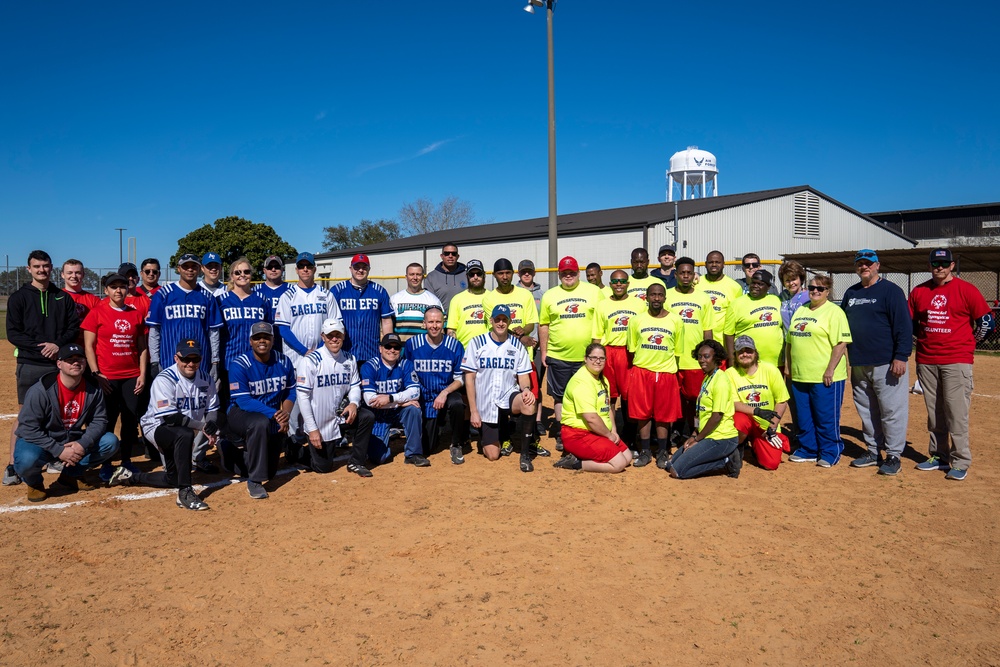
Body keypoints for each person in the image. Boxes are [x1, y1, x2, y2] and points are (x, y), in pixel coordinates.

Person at [908, 247, 994, 481]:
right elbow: (911, 322)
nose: (940, 268)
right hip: (926, 360)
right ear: (929, 266)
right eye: (935, 264)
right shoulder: (920, 291)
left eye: (944, 264)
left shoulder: (966, 290)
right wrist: (920, 339)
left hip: (956, 360)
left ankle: (960, 460)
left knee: (956, 413)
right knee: (935, 413)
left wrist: (970, 342)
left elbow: (986, 322)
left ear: (952, 266)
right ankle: (939, 455)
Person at [108, 339, 220, 511]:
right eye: (186, 359)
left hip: (186, 428)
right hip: (157, 427)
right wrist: (203, 426)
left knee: (173, 477)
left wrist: (211, 424)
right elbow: (170, 418)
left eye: (195, 359)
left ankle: (129, 477)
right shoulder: (165, 379)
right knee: (185, 434)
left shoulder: (206, 379)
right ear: (176, 358)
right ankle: (185, 492)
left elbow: (212, 408)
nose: (191, 363)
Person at [4, 250, 80, 487]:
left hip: (56, 364)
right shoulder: (19, 297)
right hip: (30, 363)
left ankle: (54, 456)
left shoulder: (62, 297)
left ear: (51, 267)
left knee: (58, 412)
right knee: (25, 414)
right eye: (36, 266)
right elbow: (13, 333)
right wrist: (42, 348)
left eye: (45, 266)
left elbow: (72, 328)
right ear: (29, 269)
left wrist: (57, 345)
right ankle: (12, 464)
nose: (41, 270)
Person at [146, 252, 223, 473]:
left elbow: (213, 332)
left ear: (199, 269)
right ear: (178, 268)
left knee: (200, 409)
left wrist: (215, 360)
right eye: (185, 266)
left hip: (200, 363)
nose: (190, 270)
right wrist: (154, 360)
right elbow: (154, 330)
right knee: (171, 411)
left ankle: (197, 457)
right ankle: (171, 458)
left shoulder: (207, 296)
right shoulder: (164, 294)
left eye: (193, 266)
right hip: (172, 363)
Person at [12, 343, 119, 502]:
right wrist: (58, 450)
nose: (75, 363)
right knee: (26, 459)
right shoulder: (41, 390)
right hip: (42, 442)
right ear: (59, 364)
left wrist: (82, 443)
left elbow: (99, 420)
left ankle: (71, 475)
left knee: (110, 442)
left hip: (71, 440)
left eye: (79, 359)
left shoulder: (93, 388)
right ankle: (34, 483)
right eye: (70, 360)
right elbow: (27, 428)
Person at [842, 249, 912, 476]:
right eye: (860, 264)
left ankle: (893, 455)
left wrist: (901, 356)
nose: (864, 267)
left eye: (868, 263)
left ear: (877, 265)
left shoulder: (891, 291)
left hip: (886, 362)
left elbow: (903, 325)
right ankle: (873, 451)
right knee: (867, 410)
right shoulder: (851, 293)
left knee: (891, 410)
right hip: (859, 362)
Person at [81, 273, 149, 476]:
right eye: (113, 287)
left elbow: (142, 347)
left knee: (129, 420)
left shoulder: (135, 313)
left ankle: (127, 460)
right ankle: (106, 462)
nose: (118, 290)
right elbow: (89, 346)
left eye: (122, 286)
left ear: (127, 289)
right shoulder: (96, 312)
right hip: (107, 377)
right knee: (107, 420)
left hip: (131, 375)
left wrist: (142, 374)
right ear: (106, 290)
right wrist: (96, 374)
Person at [538, 256, 605, 450]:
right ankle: (563, 432)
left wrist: (598, 351)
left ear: (578, 273)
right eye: (565, 272)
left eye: (572, 272)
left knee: (588, 395)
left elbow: (602, 321)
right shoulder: (550, 295)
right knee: (560, 397)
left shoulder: (594, 292)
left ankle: (589, 430)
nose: (568, 276)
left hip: (588, 358)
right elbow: (544, 325)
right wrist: (544, 351)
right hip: (559, 355)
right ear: (559, 274)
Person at [786, 274, 852, 467]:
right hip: (800, 374)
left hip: (825, 376)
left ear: (827, 292)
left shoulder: (834, 312)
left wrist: (830, 369)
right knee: (804, 416)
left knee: (825, 417)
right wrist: (789, 366)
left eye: (820, 289)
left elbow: (841, 343)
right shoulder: (801, 310)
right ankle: (808, 449)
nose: (815, 291)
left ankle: (831, 451)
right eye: (812, 287)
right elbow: (790, 341)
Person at [462, 305, 538, 472]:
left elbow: (524, 375)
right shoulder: (477, 343)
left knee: (529, 401)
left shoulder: (516, 346)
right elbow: (469, 378)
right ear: (491, 321)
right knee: (492, 455)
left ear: (509, 322)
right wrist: (473, 410)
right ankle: (499, 429)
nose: (501, 323)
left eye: (504, 320)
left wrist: (525, 389)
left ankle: (525, 455)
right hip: (486, 402)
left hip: (508, 395)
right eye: (498, 319)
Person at [296, 318, 375, 477]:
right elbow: (302, 397)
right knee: (323, 467)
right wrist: (312, 429)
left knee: (366, 416)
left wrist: (353, 403)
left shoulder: (350, 359)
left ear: (344, 335)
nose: (334, 339)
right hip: (319, 422)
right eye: (330, 335)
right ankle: (296, 451)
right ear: (323, 337)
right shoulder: (310, 361)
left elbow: (354, 386)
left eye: (338, 335)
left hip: (340, 416)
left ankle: (356, 462)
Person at [482, 258, 546, 453]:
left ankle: (531, 439)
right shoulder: (489, 298)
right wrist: (520, 337)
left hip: (523, 357)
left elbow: (531, 323)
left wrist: (523, 333)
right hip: (500, 357)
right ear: (495, 276)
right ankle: (505, 437)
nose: (504, 276)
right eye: (500, 273)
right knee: (500, 396)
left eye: (508, 273)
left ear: (513, 274)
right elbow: (496, 328)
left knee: (530, 395)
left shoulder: (524, 295)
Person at [226, 322, 296, 499]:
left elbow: (291, 391)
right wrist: (275, 414)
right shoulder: (239, 364)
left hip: (272, 416)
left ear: (273, 340)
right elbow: (243, 400)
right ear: (250, 341)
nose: (262, 341)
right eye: (257, 338)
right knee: (260, 423)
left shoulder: (283, 361)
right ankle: (255, 481)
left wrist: (285, 414)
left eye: (266, 337)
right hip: (240, 413)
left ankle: (230, 452)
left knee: (270, 471)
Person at [626, 281, 683, 468]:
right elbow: (632, 349)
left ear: (665, 298)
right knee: (643, 414)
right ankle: (644, 451)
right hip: (642, 371)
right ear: (647, 297)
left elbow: (677, 351)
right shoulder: (636, 320)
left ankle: (662, 451)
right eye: (653, 295)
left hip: (666, 373)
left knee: (663, 416)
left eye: (660, 295)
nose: (656, 298)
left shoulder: (676, 320)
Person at [665, 339, 741, 480]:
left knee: (677, 471)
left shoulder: (721, 380)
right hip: (706, 434)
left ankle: (726, 461)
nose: (701, 360)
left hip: (721, 438)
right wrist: (694, 434)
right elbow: (701, 412)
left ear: (716, 358)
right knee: (669, 464)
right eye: (699, 356)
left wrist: (698, 439)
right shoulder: (707, 378)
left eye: (706, 356)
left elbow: (717, 416)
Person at [553, 343, 634, 473]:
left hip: (597, 432)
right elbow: (590, 418)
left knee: (628, 457)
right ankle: (576, 463)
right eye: (593, 358)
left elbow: (607, 409)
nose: (598, 361)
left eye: (601, 358)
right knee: (619, 464)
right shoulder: (582, 382)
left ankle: (586, 455)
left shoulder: (603, 380)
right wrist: (609, 436)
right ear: (585, 359)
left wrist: (614, 431)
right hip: (578, 435)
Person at [404, 307, 467, 465]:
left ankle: (457, 443)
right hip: (423, 396)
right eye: (430, 321)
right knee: (428, 449)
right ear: (424, 324)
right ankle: (437, 425)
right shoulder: (413, 344)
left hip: (445, 392)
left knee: (458, 403)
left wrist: (445, 392)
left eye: (438, 322)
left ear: (443, 323)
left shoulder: (454, 345)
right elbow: (405, 373)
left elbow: (461, 378)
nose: (434, 325)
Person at [663, 257, 715, 442]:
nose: (685, 276)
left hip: (694, 360)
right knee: (674, 400)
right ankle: (675, 431)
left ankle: (695, 432)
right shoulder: (667, 296)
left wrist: (709, 357)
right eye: (682, 273)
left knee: (695, 401)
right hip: (672, 359)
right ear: (675, 274)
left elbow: (707, 330)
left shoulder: (702, 297)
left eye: (689, 273)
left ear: (694, 275)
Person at [591, 269, 643, 449]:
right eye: (614, 281)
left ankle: (630, 436)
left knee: (629, 397)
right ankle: (610, 434)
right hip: (609, 352)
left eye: (622, 281)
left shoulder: (639, 304)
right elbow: (597, 334)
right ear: (610, 283)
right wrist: (594, 356)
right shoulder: (602, 305)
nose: (618, 284)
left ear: (628, 284)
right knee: (609, 397)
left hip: (629, 353)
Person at [360, 333, 427, 467]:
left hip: (397, 411)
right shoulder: (369, 366)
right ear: (380, 348)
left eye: (396, 347)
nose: (392, 350)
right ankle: (387, 434)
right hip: (378, 415)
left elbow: (415, 392)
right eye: (388, 346)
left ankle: (413, 454)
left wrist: (391, 398)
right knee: (378, 458)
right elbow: (370, 400)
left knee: (413, 409)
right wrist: (402, 401)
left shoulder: (406, 364)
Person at [726, 335, 790, 471]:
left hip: (765, 426)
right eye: (740, 351)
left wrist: (772, 428)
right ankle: (738, 445)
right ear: (735, 354)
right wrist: (757, 411)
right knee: (739, 421)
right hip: (745, 419)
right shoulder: (730, 373)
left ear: (755, 352)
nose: (745, 354)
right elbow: (734, 403)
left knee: (771, 464)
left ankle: (756, 444)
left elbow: (782, 400)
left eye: (748, 350)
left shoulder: (770, 370)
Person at [274, 251, 342, 370]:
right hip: (295, 358)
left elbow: (335, 326)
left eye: (309, 266)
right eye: (301, 266)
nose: (305, 269)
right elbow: (283, 330)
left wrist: (320, 349)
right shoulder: (287, 297)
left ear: (314, 269)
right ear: (296, 270)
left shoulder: (326, 295)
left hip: (322, 356)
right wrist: (305, 351)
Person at [218, 257, 271, 408]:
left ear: (251, 274)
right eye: (238, 272)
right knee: (230, 404)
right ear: (231, 276)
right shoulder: (221, 300)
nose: (242, 275)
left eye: (246, 271)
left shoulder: (261, 299)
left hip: (256, 361)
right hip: (229, 361)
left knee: (256, 402)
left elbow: (269, 329)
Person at [331, 253, 393, 364]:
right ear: (350, 268)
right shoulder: (337, 291)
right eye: (356, 267)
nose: (360, 270)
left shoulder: (379, 291)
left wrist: (387, 347)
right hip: (344, 353)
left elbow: (386, 321)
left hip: (372, 353)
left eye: (364, 267)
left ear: (369, 269)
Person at [724, 269, 783, 367]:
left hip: (775, 362)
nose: (755, 286)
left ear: (768, 287)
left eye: (760, 284)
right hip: (747, 361)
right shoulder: (736, 304)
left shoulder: (776, 300)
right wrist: (732, 359)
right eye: (753, 283)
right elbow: (729, 334)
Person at [695, 250, 743, 339]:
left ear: (723, 264)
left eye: (717, 262)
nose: (714, 265)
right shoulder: (696, 283)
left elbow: (737, 317)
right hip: (698, 339)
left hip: (722, 341)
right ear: (705, 264)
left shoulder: (735, 287)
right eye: (710, 262)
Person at [390, 262, 443, 340]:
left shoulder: (433, 300)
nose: (415, 277)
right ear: (406, 277)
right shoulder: (395, 299)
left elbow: (441, 328)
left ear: (423, 277)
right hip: (401, 349)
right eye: (412, 274)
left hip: (423, 350)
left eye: (418, 274)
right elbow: (388, 325)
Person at [446, 259, 489, 347]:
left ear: (484, 275)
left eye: (479, 274)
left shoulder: (492, 296)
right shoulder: (457, 299)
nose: (475, 277)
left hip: (488, 352)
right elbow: (451, 329)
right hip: (464, 351)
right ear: (467, 276)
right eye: (472, 274)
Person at [253, 254, 289, 351]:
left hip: (286, 338)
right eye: (270, 267)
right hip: (264, 337)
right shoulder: (255, 291)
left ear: (282, 269)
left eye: (277, 267)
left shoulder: (291, 290)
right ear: (264, 270)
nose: (273, 270)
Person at [61, 259, 100, 344]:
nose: (74, 276)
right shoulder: (56, 297)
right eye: (69, 273)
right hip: (63, 347)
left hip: (86, 347)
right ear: (62, 275)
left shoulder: (94, 300)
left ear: (83, 275)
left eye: (78, 272)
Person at [425, 243, 467, 313]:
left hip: (463, 320)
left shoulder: (467, 275)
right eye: (447, 253)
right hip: (442, 321)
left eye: (453, 254)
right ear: (442, 256)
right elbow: (429, 302)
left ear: (457, 256)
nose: (450, 256)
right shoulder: (432, 277)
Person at [778, 260, 809, 330]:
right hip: (786, 340)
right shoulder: (783, 296)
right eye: (787, 280)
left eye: (794, 279)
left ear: (800, 279)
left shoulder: (809, 296)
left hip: (803, 338)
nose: (791, 283)